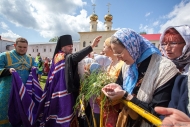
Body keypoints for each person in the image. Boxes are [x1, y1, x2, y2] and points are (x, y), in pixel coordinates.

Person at [101, 28, 179, 127]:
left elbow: (158, 114)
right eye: (115, 54)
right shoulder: (127, 65)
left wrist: (126, 96)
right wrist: (115, 87)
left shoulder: (165, 69)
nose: (118, 58)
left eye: (119, 53)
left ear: (132, 47)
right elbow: (120, 84)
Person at [36, 35, 102, 127]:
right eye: (69, 46)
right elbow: (74, 57)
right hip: (61, 90)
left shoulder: (60, 55)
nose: (71, 48)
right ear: (62, 47)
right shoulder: (61, 56)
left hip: (60, 88)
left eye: (72, 46)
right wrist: (91, 46)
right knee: (63, 111)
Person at [0, 37, 35, 126]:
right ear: (15, 45)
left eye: (25, 47)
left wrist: (35, 69)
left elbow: (36, 69)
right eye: (20, 47)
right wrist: (7, 71)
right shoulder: (4, 56)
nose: (23, 49)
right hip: (7, 91)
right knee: (6, 110)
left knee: (23, 110)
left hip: (25, 91)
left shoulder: (30, 59)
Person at [160, 25, 190, 115]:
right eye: (164, 44)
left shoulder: (187, 72)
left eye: (173, 43)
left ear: (187, 44)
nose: (167, 48)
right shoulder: (165, 67)